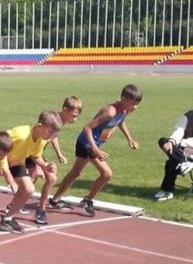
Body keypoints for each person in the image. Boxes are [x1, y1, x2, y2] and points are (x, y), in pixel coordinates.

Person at [49, 84, 142, 216]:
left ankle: (54, 200)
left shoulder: (124, 111)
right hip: (87, 143)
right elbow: (87, 128)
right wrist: (95, 149)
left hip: (90, 143)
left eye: (137, 104)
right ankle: (87, 200)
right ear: (123, 99)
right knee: (107, 174)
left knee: (75, 173)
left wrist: (130, 139)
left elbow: (120, 121)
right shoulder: (110, 112)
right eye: (133, 103)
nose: (135, 107)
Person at [17, 96, 83, 222]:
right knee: (48, 178)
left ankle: (16, 204)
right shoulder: (54, 119)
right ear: (64, 110)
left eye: (77, 116)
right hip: (33, 150)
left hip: (37, 151)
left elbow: (54, 137)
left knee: (34, 179)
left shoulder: (60, 122)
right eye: (73, 115)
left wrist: (59, 154)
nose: (75, 119)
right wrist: (39, 163)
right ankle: (40, 210)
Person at [154, 110, 193, 201]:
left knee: (171, 163)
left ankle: (167, 190)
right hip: (184, 152)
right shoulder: (189, 115)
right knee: (163, 141)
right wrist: (171, 142)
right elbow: (179, 130)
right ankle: (183, 162)